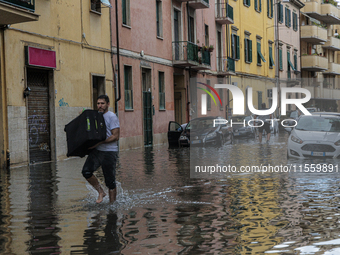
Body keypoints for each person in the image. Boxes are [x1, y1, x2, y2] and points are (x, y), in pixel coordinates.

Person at [82, 95, 120, 203]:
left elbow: (115, 136)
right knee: (86, 171)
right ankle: (101, 192)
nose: (100, 106)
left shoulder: (112, 117)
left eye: (102, 103)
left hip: (109, 152)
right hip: (97, 151)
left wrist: (100, 142)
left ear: (108, 104)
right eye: (98, 103)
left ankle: (112, 206)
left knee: (110, 181)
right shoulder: (96, 116)